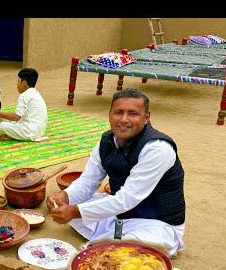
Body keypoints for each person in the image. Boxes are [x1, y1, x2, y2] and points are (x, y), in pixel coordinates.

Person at [46, 88, 186, 257]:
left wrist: (74, 211)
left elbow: (126, 199)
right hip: (122, 214)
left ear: (146, 117)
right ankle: (113, 239)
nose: (124, 120)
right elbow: (88, 181)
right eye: (118, 112)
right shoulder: (107, 141)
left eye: (133, 114)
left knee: (131, 249)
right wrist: (65, 197)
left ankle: (113, 241)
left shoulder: (157, 148)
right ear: (110, 114)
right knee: (77, 208)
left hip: (156, 223)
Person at [0, 68, 47, 141]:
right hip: (40, 131)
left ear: (24, 83)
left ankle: (13, 136)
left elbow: (16, 117)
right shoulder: (35, 93)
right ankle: (14, 135)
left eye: (18, 81)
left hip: (30, 132)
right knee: (6, 120)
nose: (17, 84)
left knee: (1, 126)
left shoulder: (24, 95)